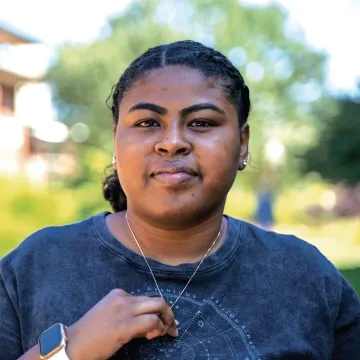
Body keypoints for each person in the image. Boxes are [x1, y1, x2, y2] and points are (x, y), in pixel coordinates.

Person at [0, 40, 359, 360]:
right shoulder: (33, 269)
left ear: (243, 143)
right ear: (115, 142)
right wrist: (71, 349)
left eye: (201, 123)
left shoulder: (306, 278)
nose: (172, 142)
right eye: (146, 123)